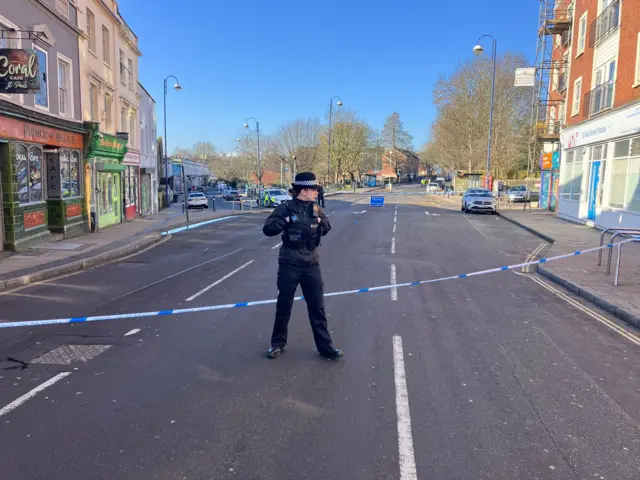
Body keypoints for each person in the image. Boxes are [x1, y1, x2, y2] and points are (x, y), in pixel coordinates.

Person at [262, 172, 343, 360]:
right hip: (289, 263)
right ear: (303, 190)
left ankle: (325, 347)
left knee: (317, 307)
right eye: (314, 189)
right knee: (284, 305)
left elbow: (327, 227)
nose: (317, 192)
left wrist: (321, 222)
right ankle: (277, 344)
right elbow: (268, 229)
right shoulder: (286, 208)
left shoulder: (315, 208)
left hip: (311, 263)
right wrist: (286, 221)